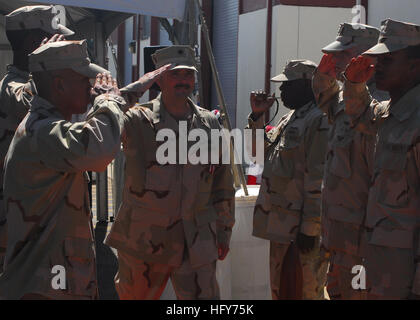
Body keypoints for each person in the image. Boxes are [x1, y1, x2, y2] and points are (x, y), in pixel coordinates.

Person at [105, 45, 235, 300]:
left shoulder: (209, 124)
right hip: (146, 241)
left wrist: (224, 230)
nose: (183, 80)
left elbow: (222, 182)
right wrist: (135, 89)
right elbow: (102, 122)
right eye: (175, 74)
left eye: (188, 74)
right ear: (159, 79)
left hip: (196, 241)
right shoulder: (136, 120)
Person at [0, 39, 125, 299]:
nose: (90, 88)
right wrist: (108, 101)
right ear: (59, 84)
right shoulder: (42, 131)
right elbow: (98, 148)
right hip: (44, 288)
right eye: (83, 81)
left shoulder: (46, 126)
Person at [343, 19, 420, 300]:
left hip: (404, 278)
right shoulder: (391, 112)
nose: (378, 67)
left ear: (415, 66)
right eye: (378, 59)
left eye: (388, 59)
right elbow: (359, 116)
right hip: (376, 264)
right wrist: (352, 83)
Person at [312, 22, 388, 299]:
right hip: (339, 240)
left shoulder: (380, 106)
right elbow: (327, 102)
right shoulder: (349, 101)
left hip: (363, 246)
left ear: (367, 56)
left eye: (344, 54)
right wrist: (323, 75)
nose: (337, 60)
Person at [0, 5, 75, 272]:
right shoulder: (12, 86)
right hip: (15, 217)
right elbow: (31, 99)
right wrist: (46, 64)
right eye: (54, 41)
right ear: (35, 43)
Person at [248, 60, 329, 299]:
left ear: (307, 85)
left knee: (305, 292)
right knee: (282, 292)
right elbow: (256, 154)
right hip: (282, 229)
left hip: (302, 234)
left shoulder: (319, 119)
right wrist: (257, 116)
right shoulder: (291, 118)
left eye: (287, 86)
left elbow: (318, 178)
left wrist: (310, 229)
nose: (280, 92)